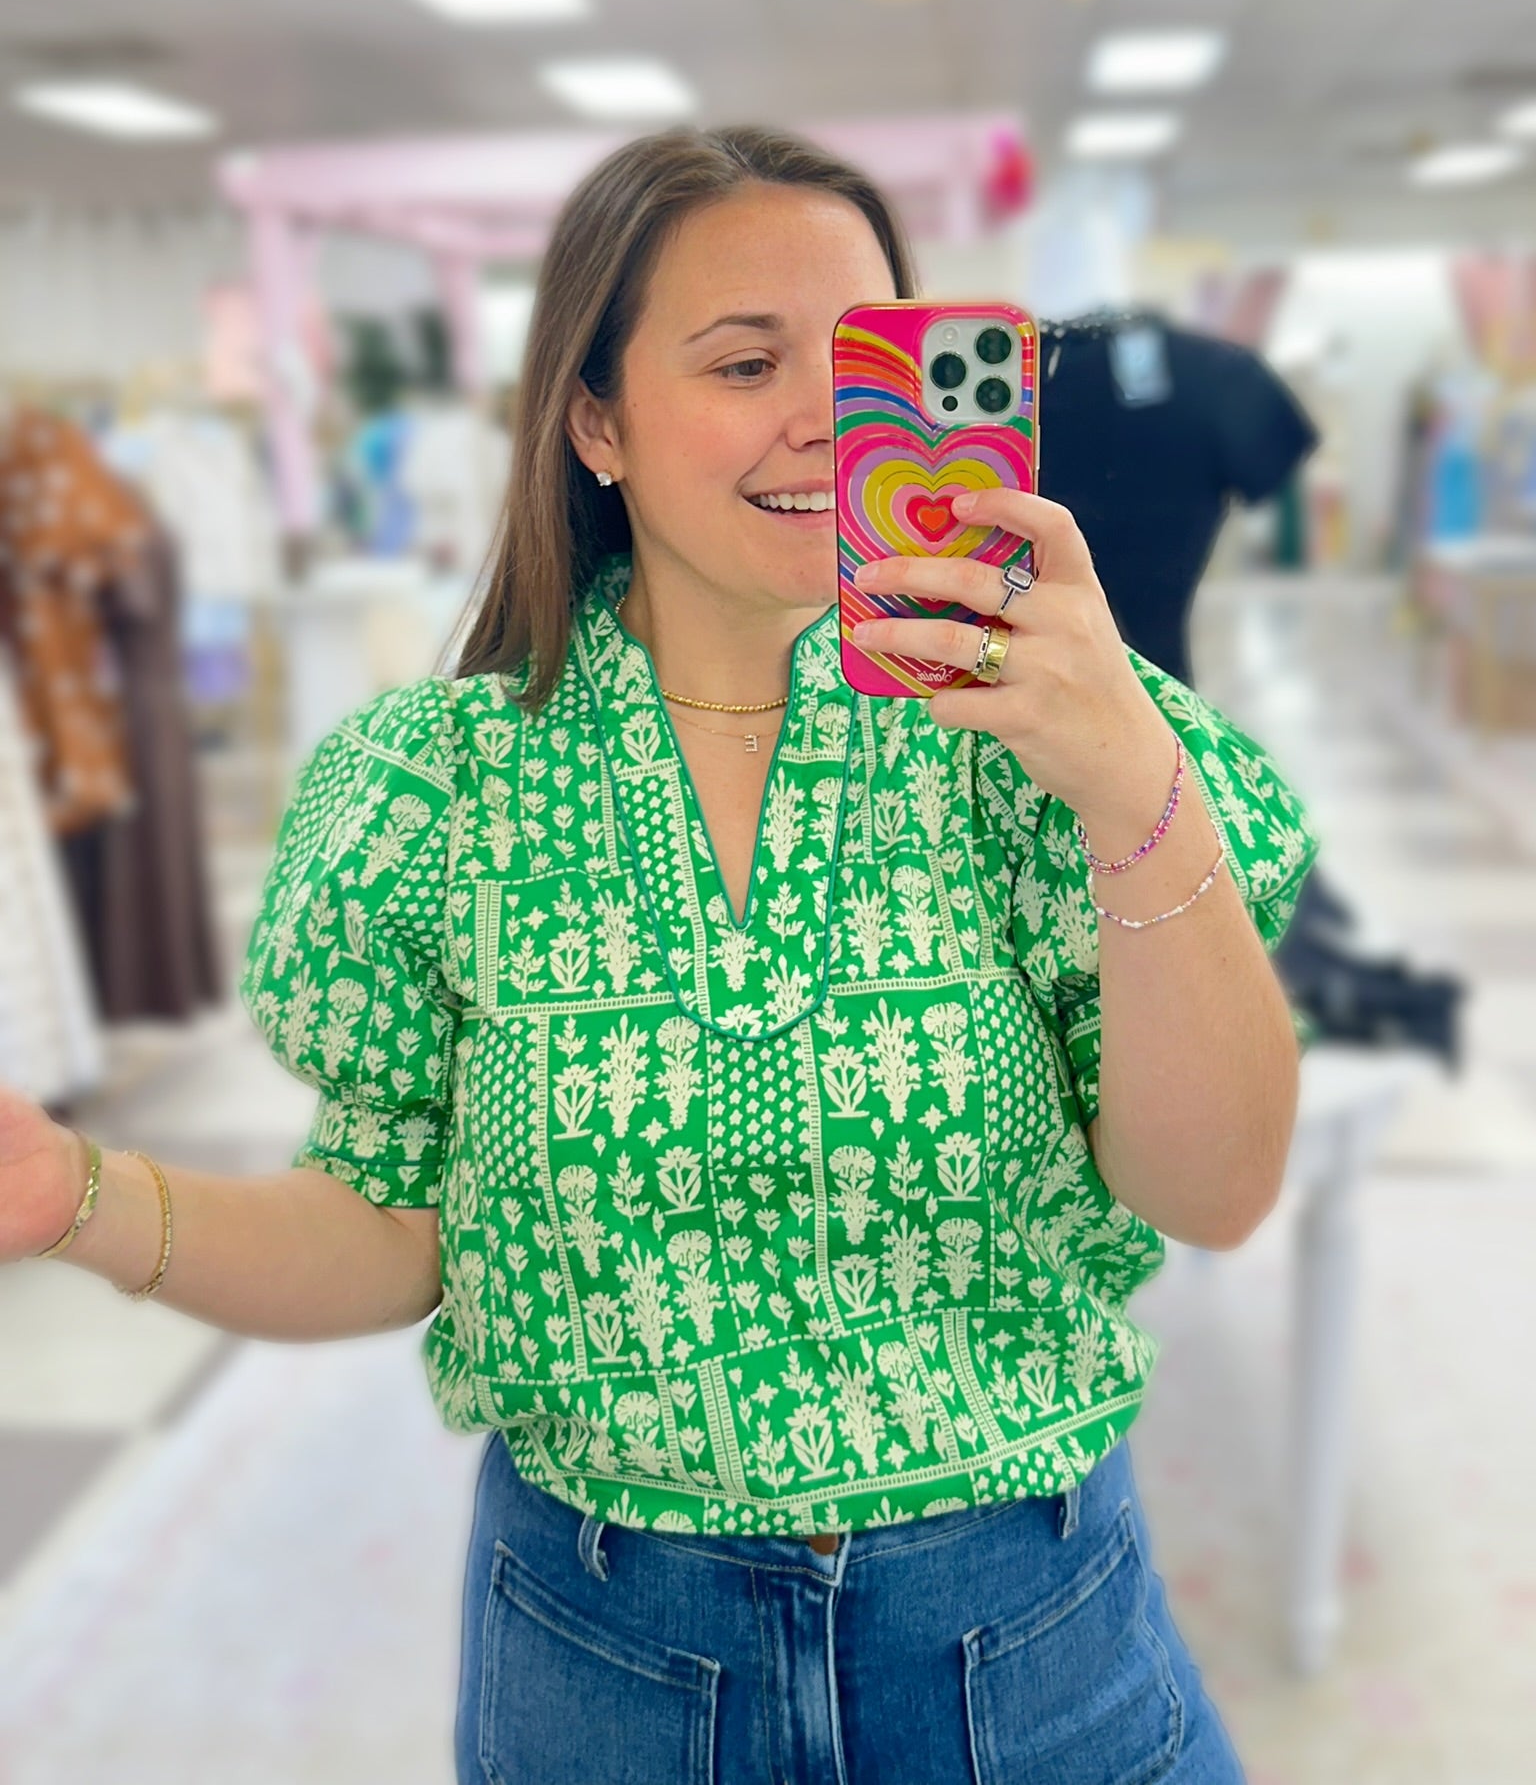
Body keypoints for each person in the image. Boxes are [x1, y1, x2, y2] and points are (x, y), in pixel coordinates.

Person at [1, 126, 1317, 1785]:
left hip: (1029, 1643)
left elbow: (1216, 1190)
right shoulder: (441, 787)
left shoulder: (1040, 741)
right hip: (606, 1666)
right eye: (746, 362)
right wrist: (81, 1200)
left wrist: (1131, 784)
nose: (825, 411)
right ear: (597, 421)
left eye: (869, 354)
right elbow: (391, 1229)